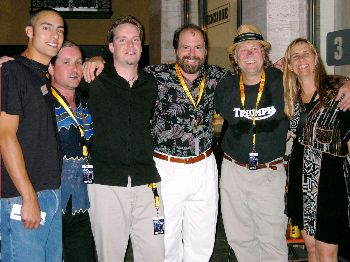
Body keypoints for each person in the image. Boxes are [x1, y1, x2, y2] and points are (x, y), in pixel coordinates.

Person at [83, 23, 230, 262]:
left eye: (198, 47)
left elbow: (250, 76)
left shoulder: (219, 77)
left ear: (206, 50)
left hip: (204, 165)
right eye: (185, 46)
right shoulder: (154, 76)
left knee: (202, 240)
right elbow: (123, 66)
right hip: (165, 167)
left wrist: (276, 68)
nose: (191, 52)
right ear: (175, 49)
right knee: (165, 241)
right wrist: (98, 59)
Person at [81, 16, 165, 262]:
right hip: (106, 183)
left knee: (154, 254)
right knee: (110, 257)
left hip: (147, 181)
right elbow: (56, 74)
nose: (130, 45)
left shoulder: (152, 84)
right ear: (111, 47)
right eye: (122, 39)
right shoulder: (93, 80)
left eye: (136, 39)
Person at [215, 24, 289, 262]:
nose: (249, 54)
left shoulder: (283, 80)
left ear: (263, 54)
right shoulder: (226, 86)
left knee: (272, 240)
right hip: (233, 171)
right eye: (242, 49)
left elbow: (317, 79)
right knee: (240, 238)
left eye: (254, 48)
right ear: (235, 58)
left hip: (269, 172)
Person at [0, 8, 64, 262]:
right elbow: (5, 136)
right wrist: (28, 196)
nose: (55, 35)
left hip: (50, 193)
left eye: (60, 30)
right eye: (46, 27)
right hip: (24, 195)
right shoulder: (13, 71)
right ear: (30, 32)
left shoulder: (40, 76)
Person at [283, 38, 350, 262]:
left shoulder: (337, 91)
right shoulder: (292, 98)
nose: (301, 59)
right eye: (295, 55)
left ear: (315, 58)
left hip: (331, 182)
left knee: (327, 253)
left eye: (306, 53)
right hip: (301, 180)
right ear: (290, 65)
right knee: (310, 248)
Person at [49, 40, 96, 262]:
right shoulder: (40, 102)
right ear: (51, 68)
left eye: (78, 62)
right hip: (50, 201)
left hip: (84, 201)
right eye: (66, 62)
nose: (74, 68)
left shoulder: (87, 102)